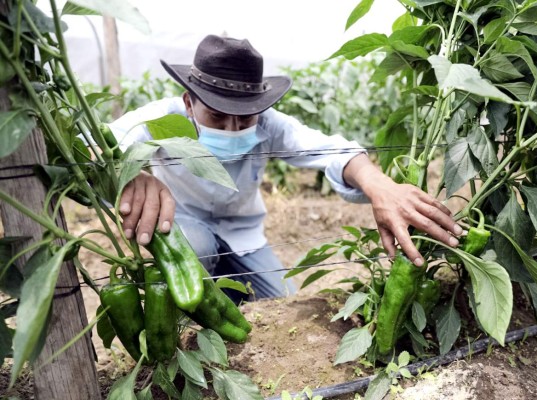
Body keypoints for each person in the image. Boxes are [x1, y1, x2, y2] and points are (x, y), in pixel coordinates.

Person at [110, 34, 462, 300]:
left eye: (245, 118)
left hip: (243, 236)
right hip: (184, 226)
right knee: (195, 251)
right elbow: (97, 143)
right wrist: (133, 171)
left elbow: (332, 150)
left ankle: (222, 294)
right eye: (217, 116)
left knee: (283, 305)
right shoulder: (160, 119)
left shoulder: (270, 124)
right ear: (189, 102)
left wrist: (378, 184)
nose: (232, 130)